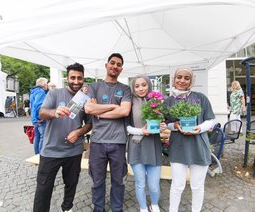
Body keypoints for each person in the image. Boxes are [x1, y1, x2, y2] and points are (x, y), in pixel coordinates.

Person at [33, 63, 92, 212]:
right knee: (43, 188)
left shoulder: (85, 99)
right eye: (73, 77)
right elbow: (41, 113)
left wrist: (78, 132)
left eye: (79, 78)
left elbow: (89, 124)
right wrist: (54, 112)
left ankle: (67, 208)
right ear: (67, 78)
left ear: (83, 78)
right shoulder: (54, 93)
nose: (76, 81)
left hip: (74, 151)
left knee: (71, 184)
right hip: (50, 151)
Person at [162, 68, 215, 212]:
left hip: (199, 146)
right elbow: (165, 123)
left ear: (191, 81)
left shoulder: (200, 98)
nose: (182, 80)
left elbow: (211, 119)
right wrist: (174, 125)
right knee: (177, 185)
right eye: (179, 77)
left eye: (186, 78)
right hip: (178, 147)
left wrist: (200, 128)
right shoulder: (168, 101)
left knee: (197, 186)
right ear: (174, 79)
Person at [85, 53, 132, 212]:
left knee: (118, 181)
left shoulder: (125, 89)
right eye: (112, 63)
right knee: (97, 180)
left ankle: (116, 209)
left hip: (118, 142)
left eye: (118, 64)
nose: (115, 66)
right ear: (106, 65)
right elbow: (89, 108)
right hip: (97, 141)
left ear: (121, 69)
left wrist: (99, 111)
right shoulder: (94, 87)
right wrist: (113, 107)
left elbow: (125, 111)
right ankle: (99, 209)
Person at [127, 75, 162, 212]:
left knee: (154, 185)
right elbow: (126, 127)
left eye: (144, 85)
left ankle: (154, 204)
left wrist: (163, 125)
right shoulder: (129, 102)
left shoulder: (157, 101)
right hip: (136, 145)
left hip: (153, 146)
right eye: (137, 86)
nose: (140, 88)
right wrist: (141, 131)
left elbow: (163, 121)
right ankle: (143, 208)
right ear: (133, 88)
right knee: (140, 183)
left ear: (149, 85)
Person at [30, 77, 48, 154]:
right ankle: (41, 155)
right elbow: (38, 105)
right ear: (44, 85)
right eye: (46, 84)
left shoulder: (33, 92)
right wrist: (40, 117)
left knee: (37, 137)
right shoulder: (41, 92)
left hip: (34, 119)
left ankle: (36, 154)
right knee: (43, 137)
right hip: (39, 119)